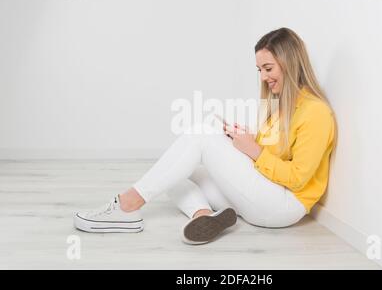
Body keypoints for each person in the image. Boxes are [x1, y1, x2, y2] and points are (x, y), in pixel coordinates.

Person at [73, 27, 337, 245]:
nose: (264, 77)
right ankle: (203, 215)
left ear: (290, 63)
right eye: (260, 70)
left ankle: (127, 206)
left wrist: (253, 151)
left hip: (284, 206)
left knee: (200, 135)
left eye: (268, 68)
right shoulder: (282, 108)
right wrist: (245, 140)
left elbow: (298, 179)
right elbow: (271, 153)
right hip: (264, 193)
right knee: (175, 175)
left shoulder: (316, 112)